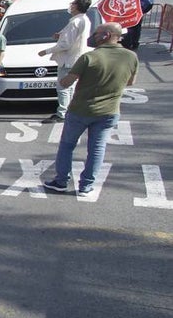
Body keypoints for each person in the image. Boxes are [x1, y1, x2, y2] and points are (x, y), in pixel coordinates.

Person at [43, 23, 138, 198]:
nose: (93, 36)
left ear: (106, 35)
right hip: (109, 111)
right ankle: (86, 186)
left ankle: (61, 181)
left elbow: (66, 82)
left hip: (81, 110)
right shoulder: (131, 57)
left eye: (97, 33)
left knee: (67, 145)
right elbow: (130, 82)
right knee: (97, 149)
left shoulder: (90, 57)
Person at [38, 0, 91, 122]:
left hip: (69, 60)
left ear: (77, 6)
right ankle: (69, 110)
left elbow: (66, 44)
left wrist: (46, 51)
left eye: (73, 3)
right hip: (76, 58)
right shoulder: (83, 20)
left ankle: (62, 113)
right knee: (70, 87)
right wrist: (61, 35)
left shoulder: (75, 22)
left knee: (63, 87)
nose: (71, 5)